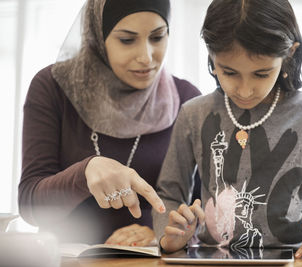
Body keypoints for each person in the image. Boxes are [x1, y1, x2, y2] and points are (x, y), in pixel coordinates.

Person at [152, 0, 302, 261]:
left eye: (261, 74)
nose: (244, 90)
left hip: (299, 260)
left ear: (289, 54)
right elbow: (169, 195)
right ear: (211, 55)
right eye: (229, 72)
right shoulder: (193, 114)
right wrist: (171, 236)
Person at [18, 0, 201, 246]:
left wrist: (160, 231)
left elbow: (205, 210)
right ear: (97, 36)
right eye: (127, 40)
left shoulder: (187, 101)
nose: (146, 57)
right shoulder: (53, 88)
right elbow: (31, 206)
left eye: (157, 37)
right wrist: (85, 173)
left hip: (151, 261)